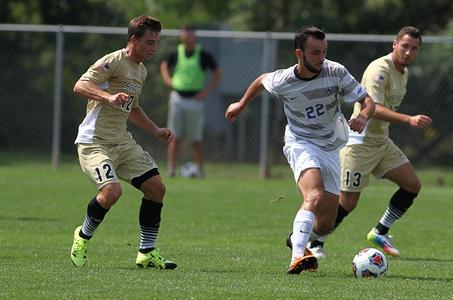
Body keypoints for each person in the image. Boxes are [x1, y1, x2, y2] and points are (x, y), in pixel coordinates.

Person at [225, 25, 375, 274]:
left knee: (326, 224)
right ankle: (297, 257)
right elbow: (262, 80)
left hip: (331, 146)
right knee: (313, 196)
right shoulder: (285, 79)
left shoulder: (335, 71)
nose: (321, 57)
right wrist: (241, 104)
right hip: (301, 141)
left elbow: (367, 101)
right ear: (299, 53)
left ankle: (297, 238)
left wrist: (363, 117)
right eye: (315, 52)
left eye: (324, 51)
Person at [306, 26, 432, 259]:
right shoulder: (379, 70)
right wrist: (409, 119)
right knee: (347, 202)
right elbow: (373, 108)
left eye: (414, 49)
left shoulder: (403, 72)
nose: (408, 52)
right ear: (395, 44)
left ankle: (380, 231)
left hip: (381, 142)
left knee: (412, 184)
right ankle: (314, 240)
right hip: (360, 143)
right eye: (404, 46)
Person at [69, 15, 177, 269]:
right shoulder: (113, 61)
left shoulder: (141, 70)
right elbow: (80, 85)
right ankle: (82, 237)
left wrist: (155, 130)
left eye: (156, 42)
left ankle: (146, 252)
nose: (154, 47)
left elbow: (133, 108)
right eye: (149, 42)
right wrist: (107, 97)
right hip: (94, 142)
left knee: (156, 189)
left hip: (122, 141)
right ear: (133, 39)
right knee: (112, 192)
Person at [160, 25, 223, 178]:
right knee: (174, 136)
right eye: (185, 34)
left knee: (196, 138)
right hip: (177, 99)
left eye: (190, 34)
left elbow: (217, 72)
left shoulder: (202, 54)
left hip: (195, 100)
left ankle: (200, 170)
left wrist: (206, 91)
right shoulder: (176, 52)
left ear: (194, 36)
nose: (187, 37)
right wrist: (168, 80)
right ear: (181, 36)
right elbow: (164, 65)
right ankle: (171, 170)